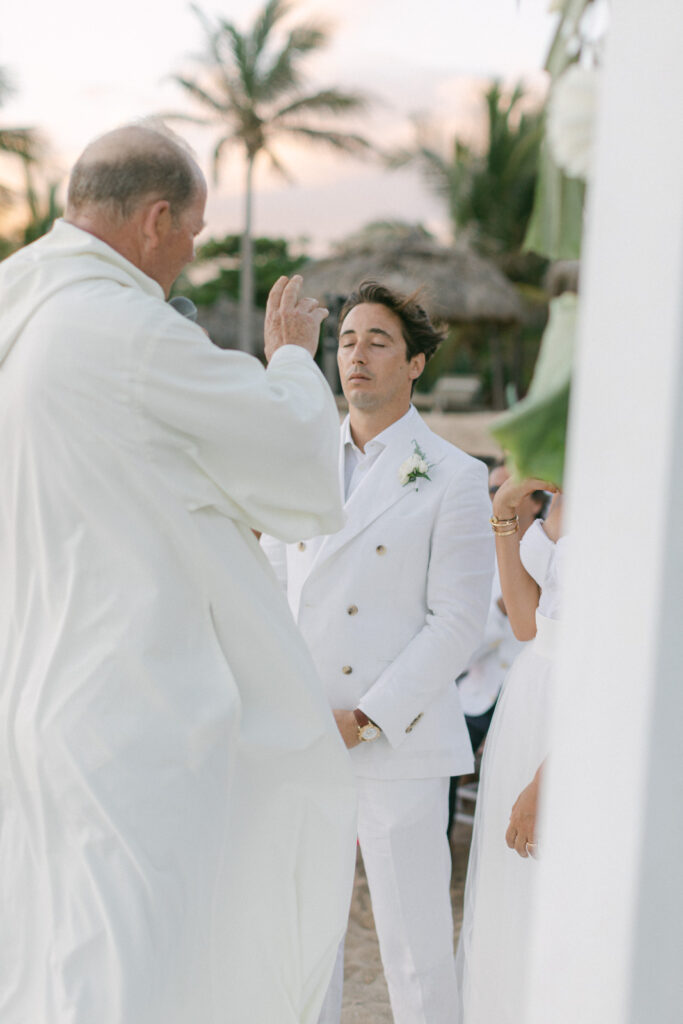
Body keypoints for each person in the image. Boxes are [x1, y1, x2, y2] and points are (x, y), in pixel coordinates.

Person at [0, 124, 357, 1024]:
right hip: (129, 697)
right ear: (156, 218)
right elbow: (285, 455)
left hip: (37, 685)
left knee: (65, 942)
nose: (190, 258)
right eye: (194, 234)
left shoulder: (24, 313)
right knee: (137, 950)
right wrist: (287, 358)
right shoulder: (123, 329)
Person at [261, 281, 494, 1024]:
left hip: (396, 740)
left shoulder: (453, 475)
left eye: (377, 341)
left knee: (415, 951)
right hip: (303, 738)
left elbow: (457, 623)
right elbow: (268, 588)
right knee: (306, 946)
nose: (355, 355)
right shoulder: (298, 459)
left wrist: (364, 718)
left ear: (416, 363)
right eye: (346, 340)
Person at [455, 474, 564, 1024]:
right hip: (527, 707)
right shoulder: (563, 487)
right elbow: (527, 623)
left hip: (580, 713)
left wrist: (549, 779)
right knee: (513, 898)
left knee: (564, 903)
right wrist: (505, 511)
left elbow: (623, 666)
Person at [449, 464, 548, 831]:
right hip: (481, 694)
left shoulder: (551, 551)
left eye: (506, 488)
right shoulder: (476, 560)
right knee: (447, 744)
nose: (496, 495)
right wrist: (499, 612)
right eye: (492, 488)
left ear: (537, 501)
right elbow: (460, 655)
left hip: (536, 694)